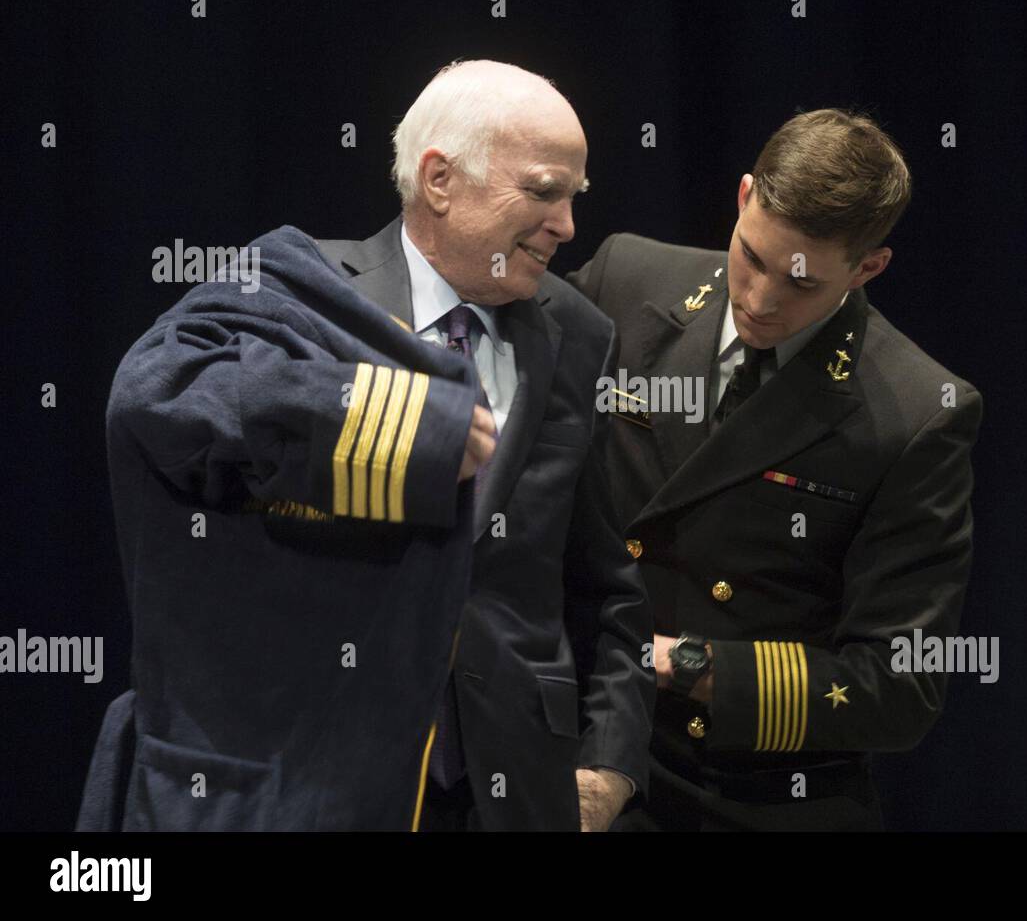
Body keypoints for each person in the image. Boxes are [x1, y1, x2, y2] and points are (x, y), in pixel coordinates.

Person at [77, 60, 653, 832]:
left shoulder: (576, 333)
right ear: (440, 179)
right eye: (545, 191)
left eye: (573, 197)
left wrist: (609, 763)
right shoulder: (300, 289)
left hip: (509, 792)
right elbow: (154, 395)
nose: (567, 225)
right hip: (317, 780)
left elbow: (603, 582)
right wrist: (411, 431)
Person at [568, 108, 984, 830]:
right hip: (584, 746)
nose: (760, 301)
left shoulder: (919, 412)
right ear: (741, 197)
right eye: (752, 258)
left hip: (750, 793)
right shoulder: (625, 279)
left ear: (868, 268)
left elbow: (900, 688)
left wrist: (685, 664)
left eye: (801, 284)